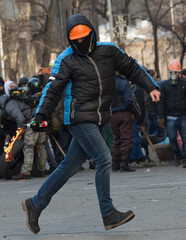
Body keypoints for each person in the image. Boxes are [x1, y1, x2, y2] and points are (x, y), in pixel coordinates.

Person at [22, 13, 160, 234]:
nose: (79, 43)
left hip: (98, 118)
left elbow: (132, 68)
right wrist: (40, 115)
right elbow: (52, 88)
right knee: (103, 158)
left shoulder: (109, 50)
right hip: (79, 119)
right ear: (69, 40)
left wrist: (151, 86)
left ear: (92, 33)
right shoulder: (65, 59)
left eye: (83, 37)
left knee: (69, 167)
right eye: (74, 40)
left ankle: (35, 204)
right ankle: (108, 213)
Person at [0, 78, 47, 179]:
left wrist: (19, 133)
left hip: (32, 120)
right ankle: (41, 170)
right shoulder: (13, 100)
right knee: (40, 145)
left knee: (28, 146)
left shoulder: (9, 105)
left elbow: (20, 119)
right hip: (41, 118)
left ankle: (26, 172)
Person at [158, 59, 186, 167]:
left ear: (179, 73)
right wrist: (161, 116)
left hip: (183, 115)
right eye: (172, 72)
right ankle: (177, 155)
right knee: (172, 137)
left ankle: (185, 159)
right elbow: (162, 102)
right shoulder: (165, 86)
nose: (174, 74)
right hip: (170, 116)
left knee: (185, 138)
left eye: (176, 72)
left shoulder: (184, 84)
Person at [111, 75, 135, 172]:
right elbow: (129, 100)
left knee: (116, 139)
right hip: (124, 113)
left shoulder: (107, 82)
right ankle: (124, 164)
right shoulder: (123, 83)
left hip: (112, 114)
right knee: (126, 139)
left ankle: (115, 164)